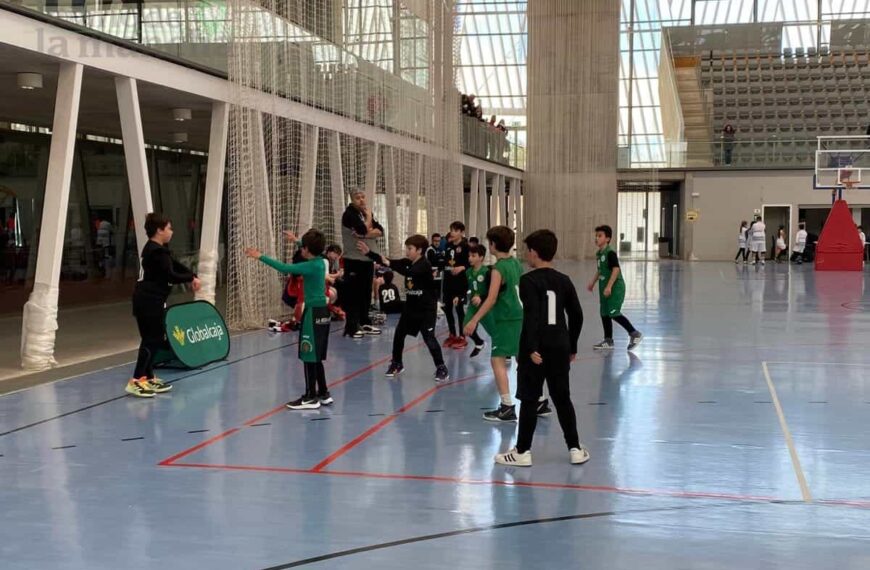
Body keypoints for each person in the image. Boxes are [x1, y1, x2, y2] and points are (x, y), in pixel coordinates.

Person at [494, 230, 589, 467]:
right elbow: (576, 315)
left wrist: (531, 347)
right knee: (562, 398)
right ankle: (575, 449)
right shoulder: (564, 280)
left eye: (528, 251)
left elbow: (533, 317)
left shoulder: (528, 280)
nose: (527, 255)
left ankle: (523, 452)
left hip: (535, 349)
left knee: (529, 398)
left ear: (534, 253)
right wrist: (572, 345)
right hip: (559, 347)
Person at [245, 229, 334, 410]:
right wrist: (297, 241)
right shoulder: (320, 262)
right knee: (316, 356)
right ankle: (323, 393)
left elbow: (285, 268)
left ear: (308, 249)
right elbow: (311, 250)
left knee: (308, 354)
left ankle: (310, 396)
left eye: (303, 247)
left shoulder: (309, 266)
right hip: (323, 312)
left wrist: (260, 256)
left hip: (312, 314)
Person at [127, 213, 200, 398]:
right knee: (152, 339)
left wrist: (192, 274)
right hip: (148, 301)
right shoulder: (156, 251)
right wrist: (190, 278)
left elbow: (174, 265)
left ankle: (148, 376)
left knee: (154, 338)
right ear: (159, 230)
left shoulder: (159, 250)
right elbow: (171, 275)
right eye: (169, 228)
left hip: (152, 300)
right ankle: (136, 380)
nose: (171, 231)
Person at [358, 235, 449, 382]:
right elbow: (388, 261)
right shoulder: (409, 263)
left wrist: (392, 265)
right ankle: (397, 363)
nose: (407, 251)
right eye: (407, 248)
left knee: (429, 339)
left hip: (426, 309)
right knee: (399, 334)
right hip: (411, 307)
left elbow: (409, 272)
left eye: (410, 249)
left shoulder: (424, 265)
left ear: (419, 250)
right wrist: (370, 253)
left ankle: (441, 367)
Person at [464, 226, 523, 422]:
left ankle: (507, 406)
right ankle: (538, 400)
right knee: (521, 358)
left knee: (497, 360)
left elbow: (491, 299)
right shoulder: (516, 263)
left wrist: (473, 320)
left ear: (494, 245)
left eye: (489, 242)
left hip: (505, 318)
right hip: (519, 316)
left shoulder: (498, 269)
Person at [587, 225, 643, 351]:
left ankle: (635, 334)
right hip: (604, 288)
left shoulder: (610, 253)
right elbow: (600, 270)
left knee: (613, 313)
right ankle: (608, 341)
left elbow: (616, 270)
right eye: (596, 236)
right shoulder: (599, 253)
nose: (596, 238)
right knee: (604, 313)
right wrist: (592, 282)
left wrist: (609, 286)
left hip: (615, 288)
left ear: (607, 238)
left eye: (600, 236)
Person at [341, 190, 383, 339]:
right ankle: (352, 327)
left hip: (367, 260)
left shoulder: (363, 214)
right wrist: (369, 220)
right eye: (357, 198)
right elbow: (363, 228)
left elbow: (380, 231)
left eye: (363, 197)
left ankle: (364, 322)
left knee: (366, 293)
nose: (361, 200)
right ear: (352, 200)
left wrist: (365, 233)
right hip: (353, 260)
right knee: (354, 294)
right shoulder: (349, 214)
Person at [441, 221, 471, 349]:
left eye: (455, 230)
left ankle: (462, 336)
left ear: (461, 232)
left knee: (459, 309)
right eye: (451, 230)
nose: (452, 232)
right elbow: (446, 262)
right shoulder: (448, 245)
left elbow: (471, 263)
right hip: (448, 281)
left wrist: (462, 267)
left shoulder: (466, 246)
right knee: (447, 308)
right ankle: (452, 334)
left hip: (460, 282)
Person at [464, 244, 490, 358]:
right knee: (466, 328)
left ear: (481, 257)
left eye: (473, 256)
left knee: (495, 331)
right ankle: (479, 342)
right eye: (469, 256)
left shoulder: (487, 272)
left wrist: (481, 297)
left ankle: (507, 352)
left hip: (486, 305)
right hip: (473, 305)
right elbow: (465, 287)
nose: (470, 258)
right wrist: (458, 296)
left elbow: (492, 292)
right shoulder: (468, 272)